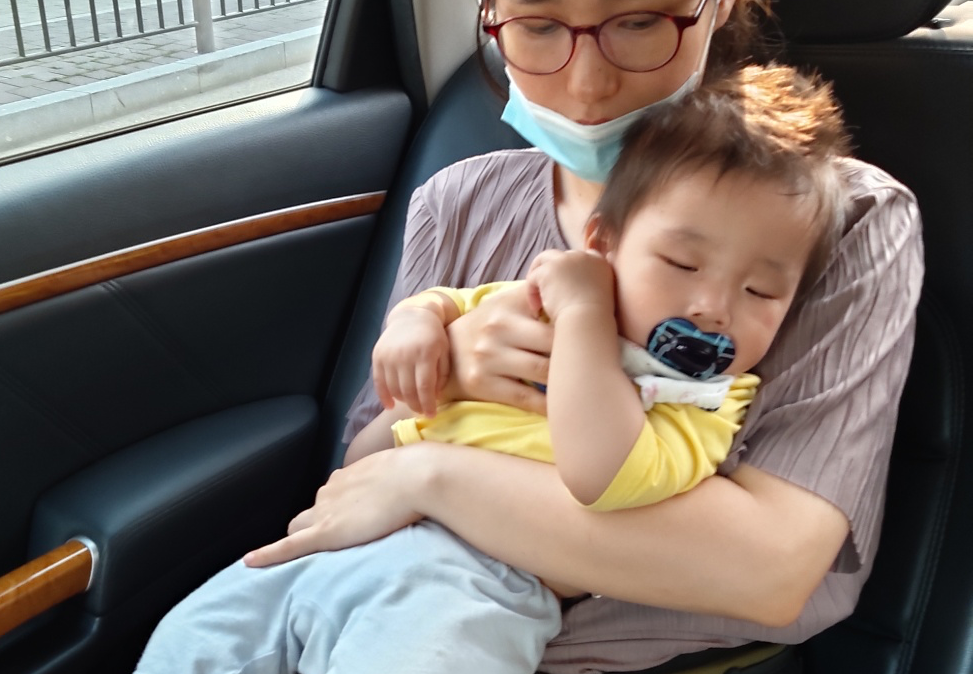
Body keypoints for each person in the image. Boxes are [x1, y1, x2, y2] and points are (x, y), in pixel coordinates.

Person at [142, 0, 924, 671]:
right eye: (537, 25)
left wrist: (432, 478)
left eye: (639, 20)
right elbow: (363, 473)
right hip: (356, 606)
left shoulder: (837, 221)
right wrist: (447, 372)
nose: (586, 85)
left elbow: (771, 572)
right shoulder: (458, 201)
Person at [135, 65, 852, 674]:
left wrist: (583, 318)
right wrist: (419, 327)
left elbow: (603, 474)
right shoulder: (530, 300)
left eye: (761, 291)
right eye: (682, 263)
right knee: (186, 642)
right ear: (603, 244)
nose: (713, 306)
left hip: (483, 582)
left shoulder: (701, 394)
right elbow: (446, 307)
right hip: (350, 534)